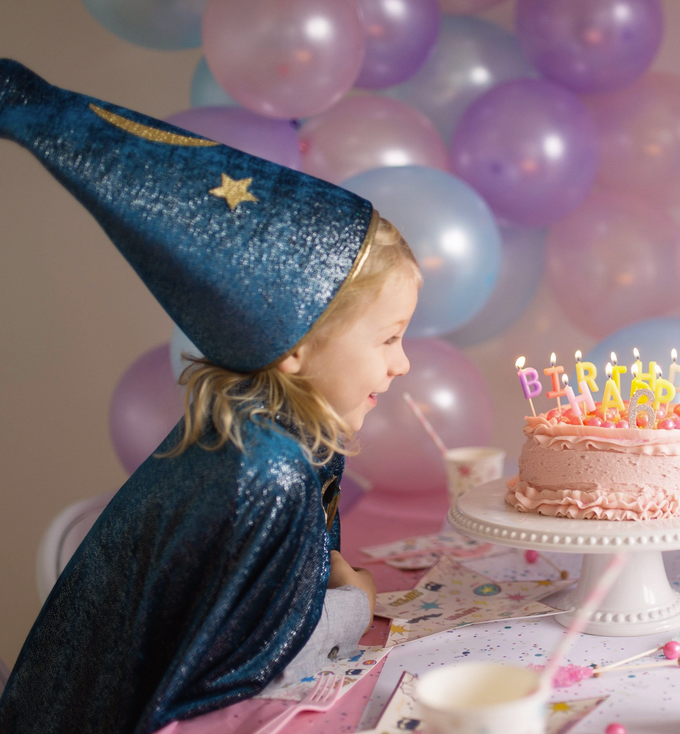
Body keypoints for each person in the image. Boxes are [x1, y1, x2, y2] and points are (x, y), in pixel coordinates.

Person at [0, 59, 421, 734]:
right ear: (295, 345)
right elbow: (258, 667)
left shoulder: (262, 432)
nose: (401, 364)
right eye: (388, 338)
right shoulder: (269, 466)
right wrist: (352, 598)